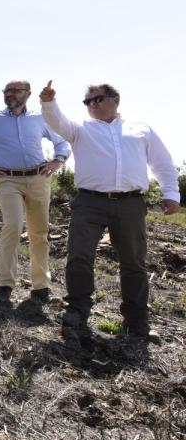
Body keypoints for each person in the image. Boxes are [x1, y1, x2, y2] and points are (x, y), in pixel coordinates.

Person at [41, 81, 180, 342]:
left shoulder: (140, 129)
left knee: (134, 262)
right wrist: (48, 102)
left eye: (97, 99)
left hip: (130, 204)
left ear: (116, 99)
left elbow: (161, 162)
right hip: (89, 203)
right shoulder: (80, 129)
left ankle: (137, 321)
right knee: (80, 256)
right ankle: (77, 311)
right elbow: (55, 121)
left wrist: (171, 194)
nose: (92, 105)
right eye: (88, 101)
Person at [0, 81, 70, 304]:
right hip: (7, 179)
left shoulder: (40, 118)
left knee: (39, 232)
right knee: (12, 226)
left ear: (27, 94)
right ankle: (5, 284)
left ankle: (41, 286)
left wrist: (57, 161)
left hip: (38, 178)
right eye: (6, 91)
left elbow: (62, 143)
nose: (9, 95)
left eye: (15, 91)